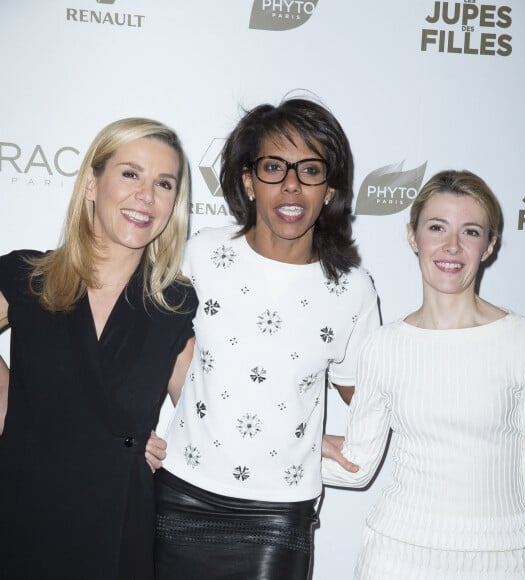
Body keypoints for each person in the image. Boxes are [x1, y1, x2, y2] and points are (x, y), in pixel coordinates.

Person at [154, 98, 381, 580]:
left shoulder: (351, 289)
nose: (292, 185)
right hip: (179, 493)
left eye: (311, 169)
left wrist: (305, 440)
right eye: (274, 167)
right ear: (247, 180)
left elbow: (368, 401)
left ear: (330, 188)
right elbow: (156, 355)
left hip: (278, 514)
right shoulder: (202, 255)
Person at [322, 169, 525, 579]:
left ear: (489, 246)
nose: (452, 246)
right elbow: (358, 464)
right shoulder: (383, 345)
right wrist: (295, 444)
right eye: (437, 228)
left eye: (470, 232)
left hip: (503, 560)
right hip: (397, 557)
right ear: (413, 236)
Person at [0, 117, 198, 580]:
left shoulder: (175, 304)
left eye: (164, 184)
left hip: (116, 525)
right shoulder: (28, 278)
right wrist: (10, 397)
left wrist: (305, 439)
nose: (146, 196)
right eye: (131, 174)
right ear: (92, 183)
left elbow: (211, 413)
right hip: (20, 512)